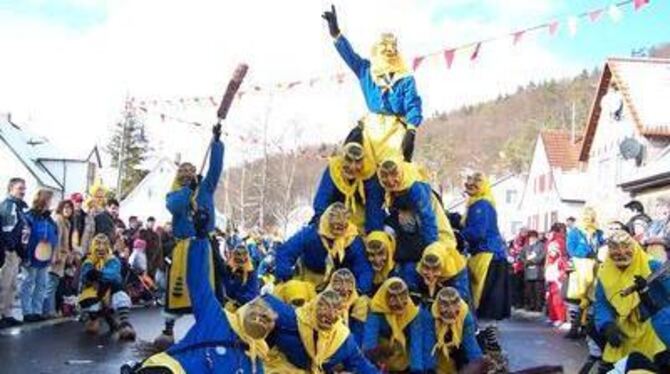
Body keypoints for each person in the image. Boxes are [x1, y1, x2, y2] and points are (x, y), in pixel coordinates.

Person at [135, 211, 274, 374]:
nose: (260, 318)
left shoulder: (256, 362)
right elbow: (199, 281)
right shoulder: (217, 317)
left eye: (265, 319)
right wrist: (200, 240)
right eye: (259, 314)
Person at [155, 123, 225, 350]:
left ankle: (208, 327)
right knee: (177, 286)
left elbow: (215, 168)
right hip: (183, 248)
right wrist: (187, 189)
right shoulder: (174, 194)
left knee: (209, 285)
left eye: (190, 171)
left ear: (195, 173)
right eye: (182, 171)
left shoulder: (205, 189)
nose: (186, 174)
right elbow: (176, 207)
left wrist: (216, 143)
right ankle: (168, 330)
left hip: (205, 245)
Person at [322, 5, 422, 162]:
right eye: (385, 48)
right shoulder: (366, 70)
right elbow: (350, 56)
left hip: (395, 131)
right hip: (371, 127)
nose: (389, 51)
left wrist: (411, 130)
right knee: (350, 156)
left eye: (393, 48)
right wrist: (336, 34)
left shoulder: (405, 79)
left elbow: (413, 106)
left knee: (396, 172)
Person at [377, 157, 462, 290]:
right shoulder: (396, 189)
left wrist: (430, 252)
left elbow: (428, 220)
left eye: (394, 175)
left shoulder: (415, 188)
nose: (390, 180)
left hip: (434, 237)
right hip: (412, 239)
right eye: (385, 176)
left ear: (401, 172)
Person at [594, 231, 666, 370]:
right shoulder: (605, 272)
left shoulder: (653, 266)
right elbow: (602, 302)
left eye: (625, 249)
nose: (621, 253)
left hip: (653, 332)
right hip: (622, 333)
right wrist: (606, 324)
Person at [275, 202, 373, 295]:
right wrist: (285, 276)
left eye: (342, 227)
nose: (338, 232)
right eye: (335, 226)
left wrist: (360, 289)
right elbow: (287, 251)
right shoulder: (312, 233)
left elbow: (363, 266)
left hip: (341, 284)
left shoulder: (352, 238)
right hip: (310, 278)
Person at [461, 172, 510, 321]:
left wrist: (459, 235)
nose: (470, 185)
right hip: (490, 256)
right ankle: (490, 338)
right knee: (488, 305)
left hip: (488, 257)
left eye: (476, 182)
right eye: (469, 182)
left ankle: (488, 340)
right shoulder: (481, 203)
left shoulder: (480, 205)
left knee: (485, 304)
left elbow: (478, 231)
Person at [312, 142, 385, 234]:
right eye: (349, 160)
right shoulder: (334, 169)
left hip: (362, 225)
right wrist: (322, 223)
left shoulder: (370, 173)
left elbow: (374, 208)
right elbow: (322, 199)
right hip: (334, 220)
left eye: (357, 162)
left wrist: (374, 235)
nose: (352, 167)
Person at [363, 277, 428, 372]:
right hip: (382, 351)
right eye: (393, 298)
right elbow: (369, 343)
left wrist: (417, 370)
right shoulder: (376, 309)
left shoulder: (412, 312)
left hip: (404, 350)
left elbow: (416, 342)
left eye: (402, 296)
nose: (400, 303)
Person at [79, 233, 135, 340]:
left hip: (110, 288)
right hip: (94, 290)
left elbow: (113, 275)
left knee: (119, 291)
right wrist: (90, 277)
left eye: (103, 244)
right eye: (98, 244)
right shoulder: (88, 260)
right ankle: (96, 318)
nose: (100, 247)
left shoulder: (113, 260)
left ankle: (124, 324)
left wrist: (98, 275)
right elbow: (85, 275)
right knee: (91, 306)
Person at [565, 207, 605, 339]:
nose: (588, 220)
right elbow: (571, 249)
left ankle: (585, 327)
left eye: (591, 217)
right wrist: (585, 252)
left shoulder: (599, 233)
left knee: (591, 298)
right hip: (579, 268)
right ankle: (574, 327)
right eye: (586, 217)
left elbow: (602, 248)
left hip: (595, 268)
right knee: (577, 298)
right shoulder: (575, 232)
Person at [426, 287, 485, 374]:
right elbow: (427, 347)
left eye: (454, 305)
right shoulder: (429, 315)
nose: (451, 311)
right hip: (436, 354)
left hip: (457, 351)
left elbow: (471, 345)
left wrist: (477, 365)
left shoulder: (466, 316)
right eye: (445, 305)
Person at [20, 189, 58, 322]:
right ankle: (27, 312)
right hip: (31, 255)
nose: (50, 203)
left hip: (44, 255)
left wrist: (53, 253)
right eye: (49, 200)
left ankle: (36, 311)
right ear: (43, 200)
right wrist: (25, 255)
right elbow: (25, 236)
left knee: (41, 284)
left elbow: (55, 235)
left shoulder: (49, 219)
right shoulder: (29, 216)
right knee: (28, 282)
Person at [0, 178, 28, 328]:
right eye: (20, 188)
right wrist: (13, 248)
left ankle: (7, 313)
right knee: (4, 284)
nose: (23, 191)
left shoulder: (17, 206)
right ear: (11, 188)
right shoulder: (9, 205)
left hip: (14, 251)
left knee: (11, 285)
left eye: (24, 188)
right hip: (8, 251)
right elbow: (7, 230)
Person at [44, 199, 74, 318]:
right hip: (57, 257)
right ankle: (48, 311)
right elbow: (56, 240)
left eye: (70, 208)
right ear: (60, 208)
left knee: (54, 284)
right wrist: (55, 255)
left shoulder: (66, 222)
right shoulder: (59, 220)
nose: (68, 210)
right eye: (65, 208)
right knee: (51, 284)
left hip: (62, 256)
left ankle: (50, 310)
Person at [326, 268, 368, 345]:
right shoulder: (324, 302)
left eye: (348, 283)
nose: (344, 289)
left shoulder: (359, 302)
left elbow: (358, 331)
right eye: (339, 283)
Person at [221, 243, 260, 310]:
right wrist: (230, 269)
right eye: (237, 259)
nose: (240, 261)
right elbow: (225, 290)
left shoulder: (251, 272)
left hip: (245, 307)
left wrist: (237, 298)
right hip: (231, 305)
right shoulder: (228, 270)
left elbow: (253, 294)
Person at [545, 225, 567, 326]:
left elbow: (563, 269)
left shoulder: (560, 260)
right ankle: (552, 317)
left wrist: (561, 276)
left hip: (557, 282)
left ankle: (560, 318)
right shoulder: (550, 258)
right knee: (550, 299)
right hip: (551, 280)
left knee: (558, 300)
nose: (551, 253)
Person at [521, 230, 545, 312]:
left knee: (538, 290)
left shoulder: (541, 245)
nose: (531, 239)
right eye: (530, 237)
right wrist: (526, 262)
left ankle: (538, 306)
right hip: (528, 270)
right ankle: (531, 305)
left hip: (537, 270)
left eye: (533, 237)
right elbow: (521, 256)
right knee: (529, 290)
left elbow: (542, 256)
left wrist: (533, 261)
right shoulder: (526, 246)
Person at [508, 229, 528, 309]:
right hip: (515, 267)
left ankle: (521, 302)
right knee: (515, 286)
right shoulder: (515, 242)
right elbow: (511, 253)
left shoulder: (526, 242)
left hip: (523, 267)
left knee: (522, 286)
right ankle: (515, 302)